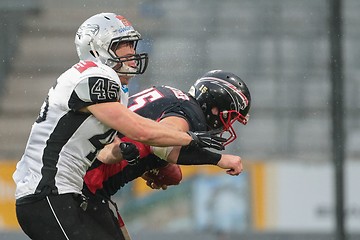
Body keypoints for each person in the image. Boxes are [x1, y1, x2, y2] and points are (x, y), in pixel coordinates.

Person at [12, 13, 224, 240]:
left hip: (61, 193)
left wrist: (135, 159)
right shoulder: (95, 76)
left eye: (131, 44)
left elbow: (105, 150)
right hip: (47, 193)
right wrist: (189, 138)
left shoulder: (108, 85)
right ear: (96, 49)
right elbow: (139, 130)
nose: (132, 52)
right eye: (123, 45)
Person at [82, 69, 252, 239]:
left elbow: (144, 136)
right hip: (88, 183)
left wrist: (150, 166)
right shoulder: (192, 113)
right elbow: (162, 147)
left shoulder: (169, 93)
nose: (227, 126)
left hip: (87, 168)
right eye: (229, 118)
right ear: (215, 108)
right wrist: (218, 159)